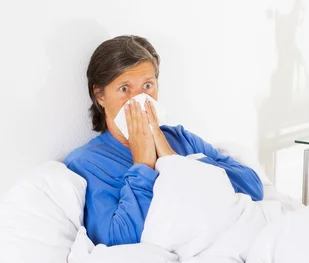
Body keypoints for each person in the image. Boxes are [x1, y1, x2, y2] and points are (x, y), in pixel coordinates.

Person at [65, 35, 263, 247]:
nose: (139, 99)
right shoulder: (87, 163)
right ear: (100, 96)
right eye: (124, 88)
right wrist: (143, 165)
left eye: (147, 86)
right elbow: (117, 241)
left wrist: (171, 158)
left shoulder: (179, 139)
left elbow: (252, 188)